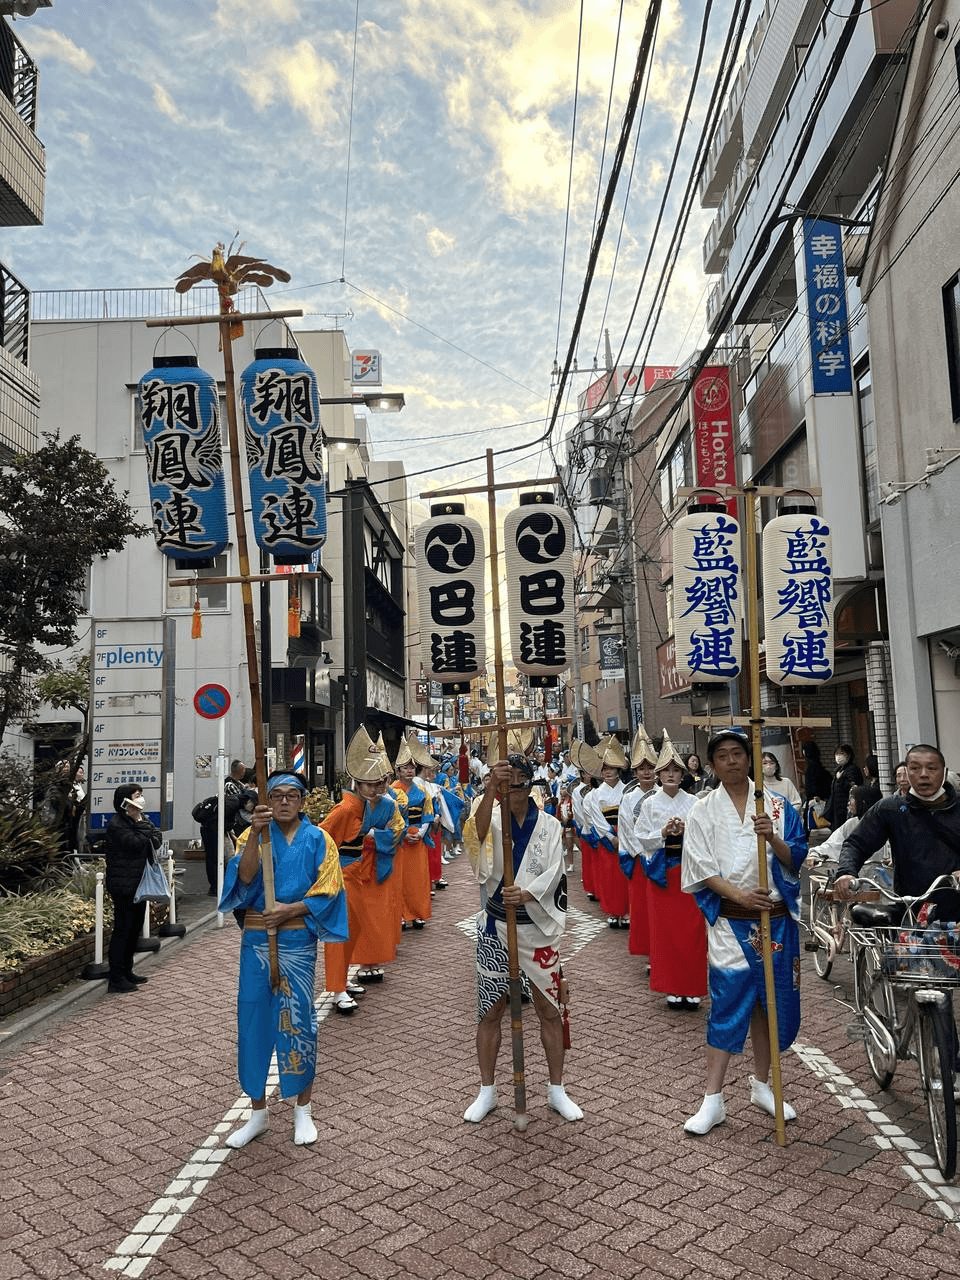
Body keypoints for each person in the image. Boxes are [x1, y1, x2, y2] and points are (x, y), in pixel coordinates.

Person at [681, 730, 808, 1135]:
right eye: (722, 755)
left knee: (769, 1003)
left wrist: (772, 837)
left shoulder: (776, 804)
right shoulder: (703, 810)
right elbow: (699, 867)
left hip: (775, 921)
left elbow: (797, 856)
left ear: (749, 759)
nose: (732, 761)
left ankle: (762, 1086)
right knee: (727, 1003)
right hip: (731, 923)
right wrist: (739, 896)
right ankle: (712, 1099)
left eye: (738, 753)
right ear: (712, 764)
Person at [219, 770, 348, 1148]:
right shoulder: (253, 834)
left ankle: (302, 1109)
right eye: (277, 796)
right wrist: (255, 835)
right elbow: (244, 880)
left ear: (303, 801)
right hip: (257, 942)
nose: (285, 801)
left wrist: (289, 910)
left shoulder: (319, 839)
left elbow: (329, 889)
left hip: (297, 942)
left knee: (299, 1022)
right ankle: (257, 1113)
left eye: (292, 795)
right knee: (253, 1022)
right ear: (267, 801)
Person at [462, 754, 582, 1124]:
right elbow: (476, 837)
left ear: (531, 783)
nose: (514, 785)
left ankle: (557, 1089)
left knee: (550, 1009)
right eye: (507, 780)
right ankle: (487, 1090)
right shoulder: (490, 815)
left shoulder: (548, 824)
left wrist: (527, 893)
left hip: (537, 927)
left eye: (520, 779)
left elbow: (556, 871)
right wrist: (488, 790)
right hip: (496, 926)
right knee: (490, 1010)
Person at [321, 728, 404, 1012]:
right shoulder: (345, 809)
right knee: (338, 932)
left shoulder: (371, 806)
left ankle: (342, 980)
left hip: (356, 873)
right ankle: (336, 989)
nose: (373, 789)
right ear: (356, 782)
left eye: (377, 783)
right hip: (341, 875)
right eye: (368, 784)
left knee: (352, 929)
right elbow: (320, 839)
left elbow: (393, 829)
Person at [833, 744, 960, 920]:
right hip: (911, 911)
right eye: (915, 768)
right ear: (907, 773)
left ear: (944, 772)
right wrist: (847, 872)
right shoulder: (890, 809)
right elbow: (856, 843)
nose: (924, 774)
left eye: (932, 768)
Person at [636, 732, 707, 1010]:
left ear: (682, 773)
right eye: (665, 770)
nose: (670, 775)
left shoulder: (694, 803)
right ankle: (671, 986)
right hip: (662, 874)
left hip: (689, 873)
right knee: (664, 932)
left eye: (675, 770)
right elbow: (641, 837)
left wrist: (689, 831)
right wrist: (663, 833)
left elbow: (705, 837)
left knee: (692, 932)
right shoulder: (650, 803)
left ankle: (692, 987)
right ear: (658, 774)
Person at [104, 784, 163, 994]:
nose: (140, 800)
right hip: (123, 884)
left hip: (139, 882)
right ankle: (116, 977)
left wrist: (140, 823)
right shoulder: (117, 824)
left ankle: (127, 970)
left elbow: (156, 839)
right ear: (125, 801)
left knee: (134, 928)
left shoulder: (141, 819)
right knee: (123, 929)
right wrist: (139, 823)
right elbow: (136, 843)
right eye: (137, 796)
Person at [616, 725, 660, 963]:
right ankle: (649, 952)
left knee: (662, 911)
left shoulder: (665, 794)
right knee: (642, 909)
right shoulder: (628, 798)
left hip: (662, 861)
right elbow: (626, 829)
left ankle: (662, 954)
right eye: (642, 768)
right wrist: (642, 853)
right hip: (639, 860)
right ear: (635, 772)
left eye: (650, 767)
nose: (647, 772)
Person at [583, 735, 629, 928]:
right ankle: (613, 910)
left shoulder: (627, 791)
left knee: (625, 874)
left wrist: (623, 836)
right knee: (609, 875)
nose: (608, 772)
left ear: (618, 769)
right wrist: (611, 836)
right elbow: (597, 819)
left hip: (625, 834)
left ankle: (626, 910)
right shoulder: (595, 794)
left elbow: (629, 817)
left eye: (611, 768)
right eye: (604, 769)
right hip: (607, 838)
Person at [199, 758, 249, 896]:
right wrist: (231, 831)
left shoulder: (237, 790)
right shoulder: (232, 793)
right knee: (216, 858)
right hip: (213, 828)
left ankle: (224, 885)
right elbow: (230, 816)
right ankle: (216, 887)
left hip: (222, 828)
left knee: (227, 856)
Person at [825, 744, 861, 831]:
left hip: (846, 807)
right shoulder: (839, 769)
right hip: (837, 807)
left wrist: (840, 780)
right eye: (837, 753)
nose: (838, 756)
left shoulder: (852, 770)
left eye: (842, 753)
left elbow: (852, 787)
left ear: (849, 755)